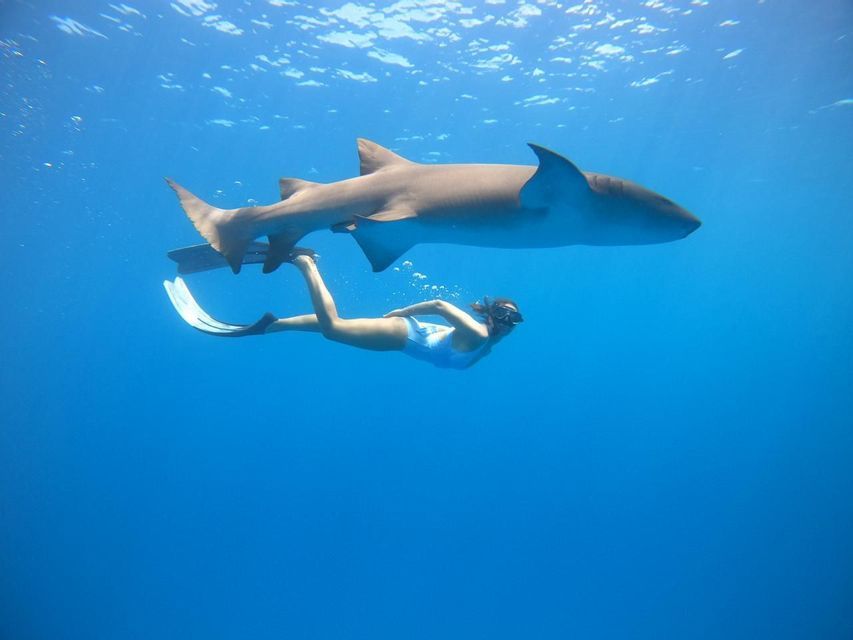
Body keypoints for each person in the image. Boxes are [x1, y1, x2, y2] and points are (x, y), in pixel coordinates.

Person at [163, 251, 523, 369]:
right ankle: (306, 264)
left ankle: (273, 326)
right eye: (504, 318)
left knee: (334, 325)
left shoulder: (489, 341)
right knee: (334, 328)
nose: (508, 326)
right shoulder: (479, 334)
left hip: (409, 334)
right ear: (491, 317)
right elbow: (441, 305)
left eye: (513, 322)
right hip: (404, 335)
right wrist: (402, 310)